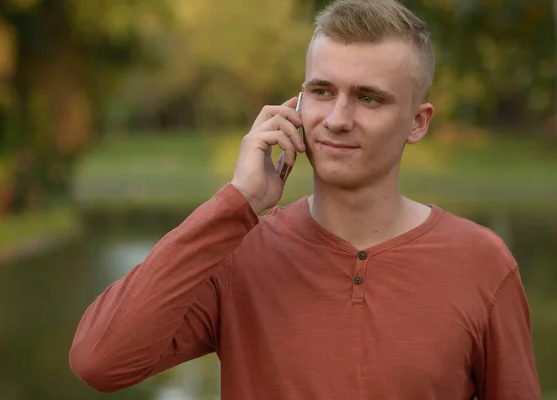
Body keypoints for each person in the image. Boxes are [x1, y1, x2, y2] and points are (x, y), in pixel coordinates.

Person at [69, 0, 541, 398]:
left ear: (418, 122)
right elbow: (100, 361)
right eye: (322, 91)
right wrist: (237, 203)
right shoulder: (238, 252)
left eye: (369, 98)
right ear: (294, 107)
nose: (337, 118)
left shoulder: (481, 263)